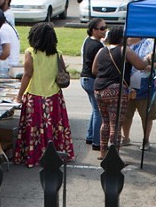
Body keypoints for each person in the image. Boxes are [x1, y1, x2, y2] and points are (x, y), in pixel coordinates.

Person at [14, 22, 74, 167]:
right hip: (54, 97)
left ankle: (34, 155)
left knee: (34, 129)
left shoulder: (30, 52)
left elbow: (27, 75)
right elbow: (61, 73)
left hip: (35, 96)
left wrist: (19, 96)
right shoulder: (57, 54)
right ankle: (56, 153)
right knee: (54, 128)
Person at [93, 25, 149, 155]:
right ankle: (114, 157)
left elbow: (94, 70)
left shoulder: (101, 51)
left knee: (105, 123)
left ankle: (103, 153)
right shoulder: (125, 50)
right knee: (115, 125)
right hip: (116, 91)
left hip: (99, 89)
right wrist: (148, 58)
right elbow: (140, 65)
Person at [121, 36, 156, 147]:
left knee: (146, 116)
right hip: (127, 85)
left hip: (145, 85)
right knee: (126, 115)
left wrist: (149, 66)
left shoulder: (150, 44)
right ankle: (125, 138)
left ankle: (145, 140)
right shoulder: (124, 43)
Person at [79, 18, 107, 152]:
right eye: (102, 28)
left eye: (105, 27)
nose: (105, 30)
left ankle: (90, 136)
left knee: (95, 109)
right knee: (99, 112)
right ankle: (97, 142)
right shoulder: (98, 46)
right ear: (93, 30)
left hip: (85, 78)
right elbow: (99, 67)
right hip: (91, 79)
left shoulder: (88, 41)